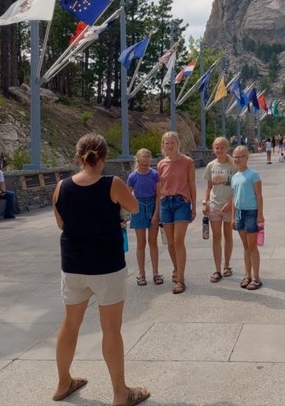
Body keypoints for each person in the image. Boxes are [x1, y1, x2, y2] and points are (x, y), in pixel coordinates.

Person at [52, 133, 149, 405]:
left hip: (72, 266)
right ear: (104, 158)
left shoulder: (61, 187)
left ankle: (63, 383)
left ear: (78, 156)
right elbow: (134, 206)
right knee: (111, 329)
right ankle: (120, 393)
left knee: (70, 325)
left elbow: (61, 224)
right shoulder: (112, 184)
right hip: (106, 265)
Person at [157, 131, 196, 294]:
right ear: (163, 145)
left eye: (172, 142)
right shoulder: (161, 164)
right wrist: (156, 210)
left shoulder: (187, 162)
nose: (169, 145)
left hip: (181, 202)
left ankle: (180, 279)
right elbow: (158, 189)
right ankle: (176, 269)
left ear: (178, 143)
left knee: (178, 240)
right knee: (170, 243)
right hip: (166, 203)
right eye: (166, 143)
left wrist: (194, 206)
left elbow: (192, 184)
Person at [126, 149, 163, 287]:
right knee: (141, 243)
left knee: (153, 242)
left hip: (152, 205)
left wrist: (156, 213)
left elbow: (159, 194)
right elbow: (127, 195)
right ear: (138, 162)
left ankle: (155, 272)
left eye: (147, 165)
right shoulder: (133, 176)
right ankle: (141, 273)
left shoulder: (154, 175)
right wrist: (129, 212)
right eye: (142, 165)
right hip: (138, 206)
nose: (145, 167)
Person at [203, 137, 237, 283]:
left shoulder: (233, 166)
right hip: (215, 205)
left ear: (227, 148)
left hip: (229, 205)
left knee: (228, 236)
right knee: (216, 237)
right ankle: (217, 269)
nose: (219, 150)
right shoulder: (211, 166)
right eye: (217, 147)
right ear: (213, 149)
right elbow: (209, 186)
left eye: (222, 147)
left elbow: (237, 186)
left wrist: (231, 203)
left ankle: (227, 265)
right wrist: (205, 202)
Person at [231, 145, 264, 290]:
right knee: (245, 246)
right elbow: (234, 198)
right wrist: (233, 216)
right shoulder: (234, 176)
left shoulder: (253, 174)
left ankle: (256, 277)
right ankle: (247, 275)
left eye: (241, 156)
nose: (237, 159)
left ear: (247, 158)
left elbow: (259, 196)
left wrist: (260, 214)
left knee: (252, 246)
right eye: (235, 156)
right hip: (239, 213)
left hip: (251, 212)